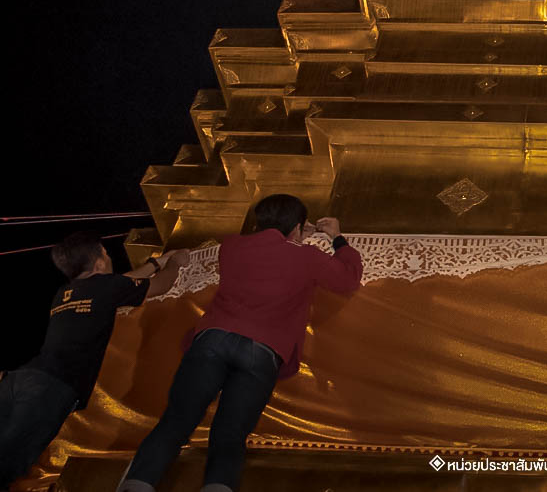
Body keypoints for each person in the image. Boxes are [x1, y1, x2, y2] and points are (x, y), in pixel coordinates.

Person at [119, 194, 363, 492]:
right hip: (261, 351)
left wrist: (294, 233)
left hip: (212, 340)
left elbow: (267, 248)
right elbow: (348, 280)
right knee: (230, 433)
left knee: (177, 421)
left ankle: (136, 485)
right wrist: (336, 237)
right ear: (298, 228)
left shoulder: (231, 247)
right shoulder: (307, 257)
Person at [0, 231, 189, 487]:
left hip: (18, 379)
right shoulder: (105, 288)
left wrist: (156, 263)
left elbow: (119, 282)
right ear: (100, 263)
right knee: (9, 460)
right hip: (50, 387)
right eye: (106, 254)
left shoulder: (65, 292)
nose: (109, 258)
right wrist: (176, 262)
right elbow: (161, 286)